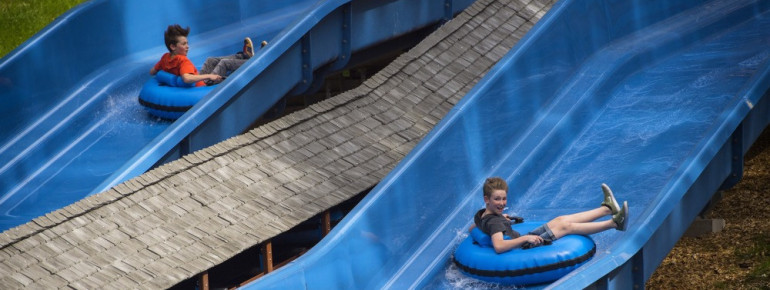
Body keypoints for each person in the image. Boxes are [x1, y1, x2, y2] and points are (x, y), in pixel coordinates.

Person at [470, 177, 628, 254]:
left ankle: (607, 209)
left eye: (504, 198)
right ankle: (614, 224)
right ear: (486, 199)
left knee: (560, 219)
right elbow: (498, 247)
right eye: (497, 199)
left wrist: (502, 222)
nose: (502, 203)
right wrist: (525, 238)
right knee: (565, 227)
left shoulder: (482, 215)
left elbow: (475, 226)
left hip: (521, 239)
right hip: (524, 247)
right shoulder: (494, 222)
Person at [150, 24, 267, 86]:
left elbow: (153, 71)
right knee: (224, 64)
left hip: (198, 81)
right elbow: (186, 78)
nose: (188, 46)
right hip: (205, 85)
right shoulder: (183, 61)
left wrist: (163, 77)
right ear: (173, 47)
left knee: (210, 60)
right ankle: (254, 60)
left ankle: (243, 56)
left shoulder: (165, 57)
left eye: (187, 43)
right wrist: (209, 76)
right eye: (184, 44)